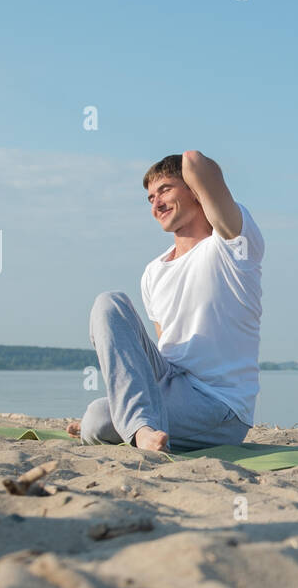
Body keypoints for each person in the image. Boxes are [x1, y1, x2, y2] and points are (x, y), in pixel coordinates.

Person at [68, 151, 264, 452]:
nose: (156, 203)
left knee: (98, 420)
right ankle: (138, 424)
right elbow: (162, 348)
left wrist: (192, 175)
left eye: (165, 190)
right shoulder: (153, 272)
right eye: (150, 198)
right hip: (171, 381)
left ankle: (134, 426)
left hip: (218, 405)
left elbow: (194, 160)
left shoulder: (232, 246)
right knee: (108, 303)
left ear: (196, 191)